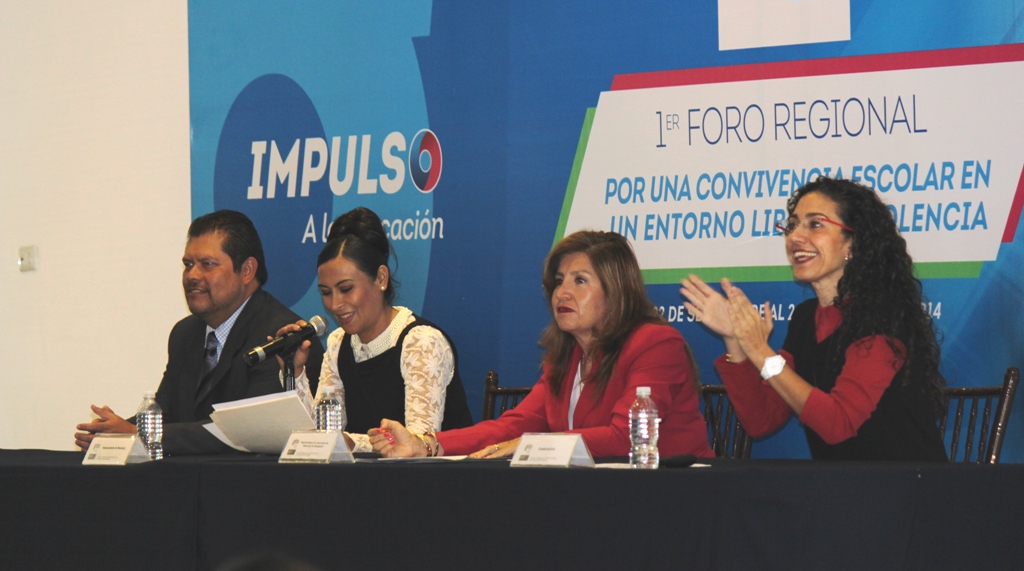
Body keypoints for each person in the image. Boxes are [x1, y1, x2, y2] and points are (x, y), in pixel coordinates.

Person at [370, 230, 713, 459]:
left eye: (580, 281)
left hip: (676, 500)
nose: (562, 292)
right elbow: (513, 426)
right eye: (560, 281)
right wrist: (426, 444)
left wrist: (532, 445)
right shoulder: (568, 357)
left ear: (616, 291)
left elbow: (626, 436)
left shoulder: (655, 344)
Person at [681, 177, 947, 460]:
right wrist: (736, 340)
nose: (795, 237)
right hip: (839, 483)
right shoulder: (806, 317)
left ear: (852, 242)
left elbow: (838, 423)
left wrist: (759, 349)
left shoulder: (883, 316)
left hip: (905, 482)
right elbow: (762, 420)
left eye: (815, 224)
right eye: (793, 225)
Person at [74, 210, 323, 455]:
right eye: (188, 265)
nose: (192, 276)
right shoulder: (185, 333)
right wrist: (113, 431)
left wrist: (139, 433)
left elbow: (246, 431)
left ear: (247, 270)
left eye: (207, 265)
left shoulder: (282, 338)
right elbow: (166, 413)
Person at [278, 207, 472, 453]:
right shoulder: (339, 343)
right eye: (326, 293)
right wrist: (294, 372)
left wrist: (351, 443)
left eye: (346, 289)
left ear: (381, 278)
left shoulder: (421, 341)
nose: (335, 304)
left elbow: (416, 446)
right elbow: (320, 437)